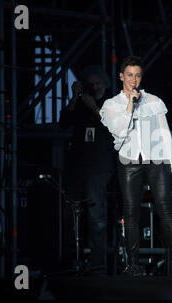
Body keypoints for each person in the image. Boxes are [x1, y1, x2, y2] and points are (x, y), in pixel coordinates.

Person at [99, 56, 172, 276]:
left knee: (165, 207)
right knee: (131, 212)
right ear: (121, 76)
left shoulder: (153, 101)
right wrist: (130, 104)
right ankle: (133, 264)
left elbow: (165, 134)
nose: (134, 80)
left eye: (137, 75)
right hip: (129, 162)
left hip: (156, 159)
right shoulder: (112, 105)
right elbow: (120, 131)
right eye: (129, 75)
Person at [59, 65, 115, 276]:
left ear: (105, 84)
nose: (95, 87)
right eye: (90, 84)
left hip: (99, 167)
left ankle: (97, 266)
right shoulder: (81, 103)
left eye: (98, 83)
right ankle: (71, 261)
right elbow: (63, 122)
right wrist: (74, 98)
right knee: (70, 215)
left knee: (96, 218)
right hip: (76, 167)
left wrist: (94, 107)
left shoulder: (112, 103)